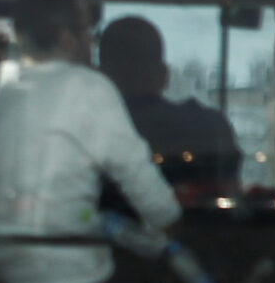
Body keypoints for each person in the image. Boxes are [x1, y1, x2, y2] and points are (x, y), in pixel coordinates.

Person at [0, 0, 179, 283]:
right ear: (68, 39)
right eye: (89, 32)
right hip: (71, 278)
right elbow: (140, 182)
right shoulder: (90, 89)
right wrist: (171, 224)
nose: (91, 43)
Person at [95, 15, 243, 192]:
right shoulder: (209, 128)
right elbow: (230, 202)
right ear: (164, 75)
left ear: (101, 77)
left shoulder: (79, 131)